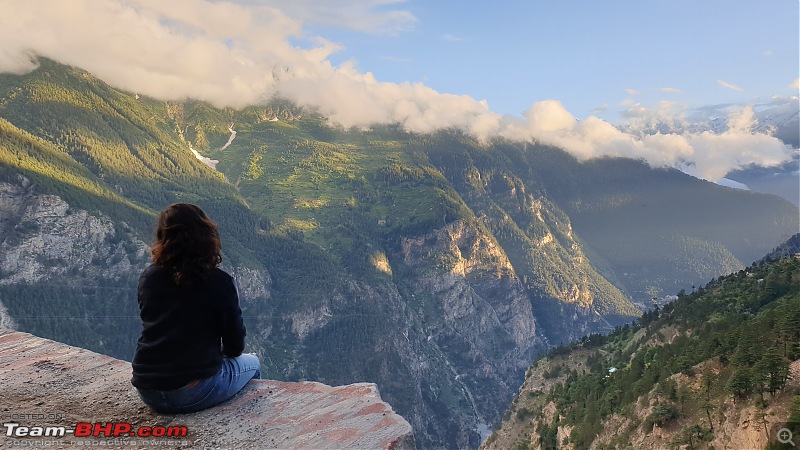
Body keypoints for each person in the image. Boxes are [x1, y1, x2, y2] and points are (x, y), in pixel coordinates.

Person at [131, 203, 260, 414]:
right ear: (206, 235)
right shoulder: (219, 282)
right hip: (191, 392)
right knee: (253, 363)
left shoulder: (149, 277)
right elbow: (235, 346)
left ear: (163, 238)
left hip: (148, 390)